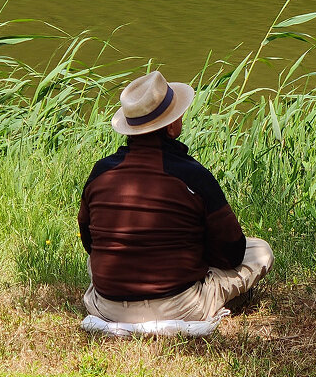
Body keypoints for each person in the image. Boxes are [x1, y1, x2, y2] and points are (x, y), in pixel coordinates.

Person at [79, 70, 273, 324]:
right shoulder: (193, 175)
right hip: (178, 307)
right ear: (171, 127)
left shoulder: (100, 172)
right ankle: (208, 302)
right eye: (178, 114)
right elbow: (233, 252)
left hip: (105, 306)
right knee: (260, 250)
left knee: (94, 260)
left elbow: (89, 242)